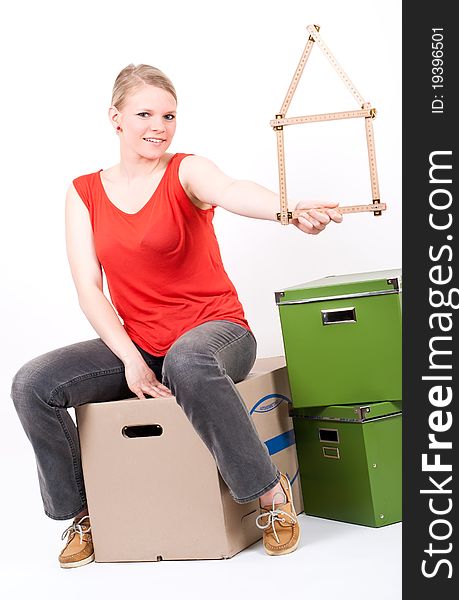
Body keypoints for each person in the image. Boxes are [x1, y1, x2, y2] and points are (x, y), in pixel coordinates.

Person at [10, 63, 342, 568]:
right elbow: (88, 289)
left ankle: (269, 494)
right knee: (32, 384)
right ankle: (85, 514)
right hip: (140, 341)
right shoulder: (84, 192)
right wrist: (130, 360)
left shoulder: (186, 170)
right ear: (115, 117)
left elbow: (233, 190)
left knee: (187, 362)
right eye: (144, 113)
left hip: (217, 331)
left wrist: (287, 209)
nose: (158, 126)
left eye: (168, 115)